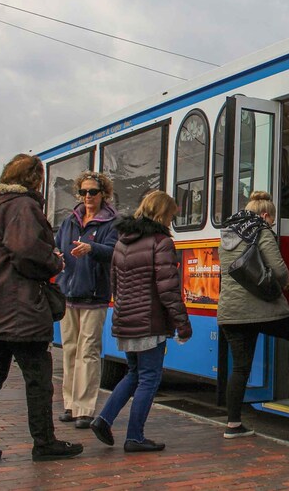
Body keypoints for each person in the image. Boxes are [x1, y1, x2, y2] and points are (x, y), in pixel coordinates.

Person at [0, 154, 84, 467]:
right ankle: (44, 442)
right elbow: (25, 249)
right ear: (33, 178)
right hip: (19, 309)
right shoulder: (23, 205)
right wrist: (54, 261)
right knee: (38, 378)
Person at [89, 190, 192, 453]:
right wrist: (182, 323)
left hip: (125, 318)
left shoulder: (122, 242)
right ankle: (134, 436)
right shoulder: (161, 242)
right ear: (163, 214)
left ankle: (103, 419)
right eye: (171, 215)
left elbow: (115, 284)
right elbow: (168, 289)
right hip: (150, 321)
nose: (171, 221)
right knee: (149, 378)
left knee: (134, 373)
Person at [217, 191, 289, 439]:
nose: (272, 224)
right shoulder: (261, 230)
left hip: (231, 312)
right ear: (266, 215)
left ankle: (233, 424)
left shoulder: (227, 233)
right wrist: (285, 282)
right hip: (263, 310)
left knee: (239, 369)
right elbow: (279, 272)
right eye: (272, 220)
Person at [55, 171, 118, 429]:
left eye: (93, 191)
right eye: (83, 192)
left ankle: (84, 408)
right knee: (69, 350)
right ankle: (69, 404)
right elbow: (57, 245)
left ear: (104, 193)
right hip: (68, 293)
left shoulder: (111, 222)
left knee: (88, 352)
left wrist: (92, 248)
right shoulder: (70, 220)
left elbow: (115, 252)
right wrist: (56, 254)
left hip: (94, 295)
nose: (88, 196)